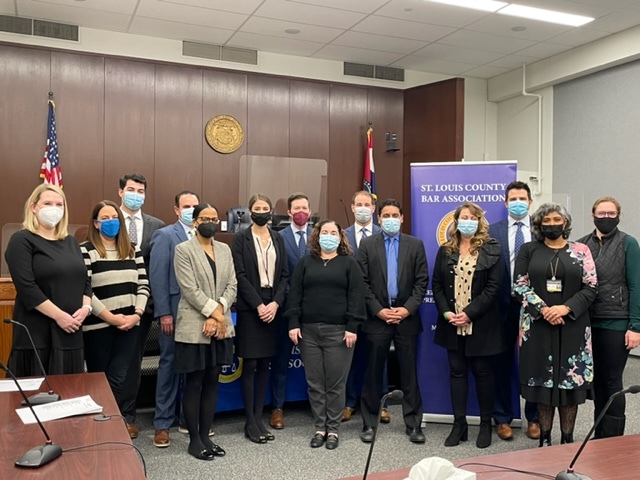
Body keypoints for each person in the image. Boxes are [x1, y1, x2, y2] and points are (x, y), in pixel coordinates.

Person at [514, 203, 597, 446]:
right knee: (542, 383)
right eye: (546, 220)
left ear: (565, 222)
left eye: (556, 219)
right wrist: (544, 310)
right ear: (539, 225)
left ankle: (567, 440)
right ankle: (545, 440)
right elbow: (519, 284)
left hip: (573, 324)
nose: (552, 224)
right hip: (537, 326)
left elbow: (591, 286)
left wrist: (565, 308)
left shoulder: (581, 250)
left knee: (569, 385)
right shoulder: (528, 249)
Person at [286, 220, 366, 449]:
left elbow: (356, 296)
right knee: (314, 383)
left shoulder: (349, 264)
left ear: (340, 237)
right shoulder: (305, 262)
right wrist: (293, 322)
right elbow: (295, 294)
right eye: (324, 232)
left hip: (339, 333)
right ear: (317, 236)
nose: (328, 236)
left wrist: (352, 326)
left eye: (333, 232)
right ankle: (319, 428)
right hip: (308, 332)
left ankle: (333, 430)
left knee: (335, 384)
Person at [358, 198, 428, 444]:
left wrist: (406, 310)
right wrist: (378, 310)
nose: (390, 219)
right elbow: (362, 283)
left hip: (406, 318)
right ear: (379, 219)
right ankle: (368, 423)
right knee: (373, 373)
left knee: (409, 373)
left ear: (402, 218)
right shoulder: (367, 245)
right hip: (377, 318)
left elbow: (422, 282)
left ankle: (413, 425)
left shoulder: (415, 244)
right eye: (385, 215)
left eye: (394, 215)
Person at [433, 202, 503, 449]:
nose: (468, 221)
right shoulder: (446, 249)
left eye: (473, 218)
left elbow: (494, 287)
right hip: (451, 323)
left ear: (480, 221)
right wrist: (446, 312)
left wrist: (470, 313)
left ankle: (485, 425)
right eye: (464, 217)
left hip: (480, 323)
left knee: (483, 373)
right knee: (457, 372)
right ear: (456, 220)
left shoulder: (492, 248)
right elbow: (437, 285)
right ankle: (459, 424)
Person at [5, 184, 91, 376]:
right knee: (35, 397)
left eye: (59, 204)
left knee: (70, 396)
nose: (54, 208)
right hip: (37, 335)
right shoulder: (21, 240)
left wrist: (86, 309)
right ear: (33, 207)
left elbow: (85, 282)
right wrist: (59, 316)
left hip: (71, 333)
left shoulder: (70, 242)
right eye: (48, 203)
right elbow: (27, 287)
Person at [173, 202, 236, 461]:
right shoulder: (183, 249)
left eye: (214, 217)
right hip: (193, 325)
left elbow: (232, 284)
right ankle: (194, 439)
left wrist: (219, 311)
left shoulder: (225, 249)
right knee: (195, 381)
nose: (210, 221)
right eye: (204, 217)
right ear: (195, 221)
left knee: (213, 380)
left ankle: (207, 436)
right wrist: (216, 313)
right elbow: (189, 289)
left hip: (219, 325)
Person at [577, 196, 640, 438]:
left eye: (611, 213)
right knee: (598, 382)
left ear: (618, 216)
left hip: (617, 323)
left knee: (613, 380)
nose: (606, 217)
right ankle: (599, 433)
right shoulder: (581, 245)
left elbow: (636, 286)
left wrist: (635, 326)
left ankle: (613, 438)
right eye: (601, 213)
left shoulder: (628, 244)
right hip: (588, 322)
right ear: (592, 215)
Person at [80, 200, 149, 414]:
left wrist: (136, 315)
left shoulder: (131, 250)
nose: (111, 222)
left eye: (115, 218)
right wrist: (110, 317)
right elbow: (85, 289)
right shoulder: (85, 250)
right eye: (105, 218)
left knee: (119, 380)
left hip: (128, 327)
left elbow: (144, 285)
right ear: (96, 223)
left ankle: (112, 423)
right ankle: (98, 426)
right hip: (97, 329)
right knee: (98, 381)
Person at [232, 193, 288, 444]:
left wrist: (275, 302)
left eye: (266, 207)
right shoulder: (241, 238)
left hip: (273, 307)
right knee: (251, 364)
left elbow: (285, 274)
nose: (262, 211)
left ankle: (259, 417)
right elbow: (240, 275)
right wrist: (258, 305)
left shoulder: (278, 237)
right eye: (257, 208)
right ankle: (250, 422)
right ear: (250, 211)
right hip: (250, 308)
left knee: (266, 364)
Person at [488, 181, 540, 441]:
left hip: (535, 307)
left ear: (530, 201)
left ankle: (534, 417)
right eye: (513, 198)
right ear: (505, 202)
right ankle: (503, 418)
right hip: (502, 305)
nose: (518, 202)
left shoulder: (541, 230)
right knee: (501, 362)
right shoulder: (492, 231)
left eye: (523, 198)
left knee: (533, 362)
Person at [148, 190, 200, 448]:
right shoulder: (165, 235)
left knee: (192, 368)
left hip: (199, 315)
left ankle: (185, 417)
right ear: (177, 210)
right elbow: (157, 276)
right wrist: (164, 312)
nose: (191, 210)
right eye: (187, 206)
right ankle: (162, 423)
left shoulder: (203, 236)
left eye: (195, 206)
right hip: (174, 312)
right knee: (169, 366)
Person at [117, 173, 164, 439]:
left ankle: (128, 415)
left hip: (142, 306)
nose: (137, 194)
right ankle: (107, 413)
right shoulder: (109, 220)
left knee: (132, 361)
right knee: (108, 361)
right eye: (132, 189)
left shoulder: (156, 225)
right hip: (109, 305)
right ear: (120, 192)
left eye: (141, 190)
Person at [342, 191, 390, 424]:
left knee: (377, 357)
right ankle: (350, 401)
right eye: (358, 204)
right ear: (352, 207)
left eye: (367, 204)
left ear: (373, 209)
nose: (362, 208)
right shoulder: (341, 235)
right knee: (350, 356)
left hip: (377, 307)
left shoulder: (384, 234)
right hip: (349, 307)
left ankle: (381, 404)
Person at [270, 192, 312, 429]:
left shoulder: (318, 236)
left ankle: (317, 405)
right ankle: (277, 408)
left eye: (305, 207)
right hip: (286, 309)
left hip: (315, 310)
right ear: (288, 212)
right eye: (296, 207)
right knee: (281, 360)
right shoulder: (279, 237)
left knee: (316, 363)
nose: (301, 211)